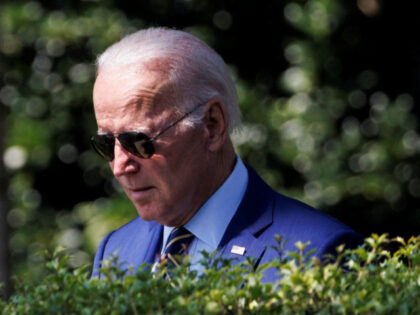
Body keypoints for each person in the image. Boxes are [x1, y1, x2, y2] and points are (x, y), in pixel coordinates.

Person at [90, 27, 362, 282]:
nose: (119, 166)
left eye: (138, 142)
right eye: (105, 144)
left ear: (212, 126)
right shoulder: (116, 250)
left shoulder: (320, 254)